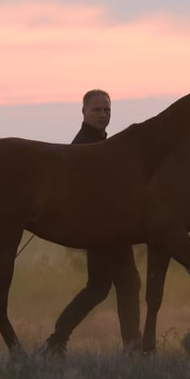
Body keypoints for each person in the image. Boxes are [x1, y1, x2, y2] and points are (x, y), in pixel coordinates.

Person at [40, 89, 142, 356]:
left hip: (108, 229)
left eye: (107, 110)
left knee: (99, 288)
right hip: (102, 229)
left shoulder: (100, 141)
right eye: (97, 110)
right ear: (83, 112)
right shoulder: (84, 145)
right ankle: (132, 346)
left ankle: (57, 339)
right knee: (125, 283)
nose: (103, 115)